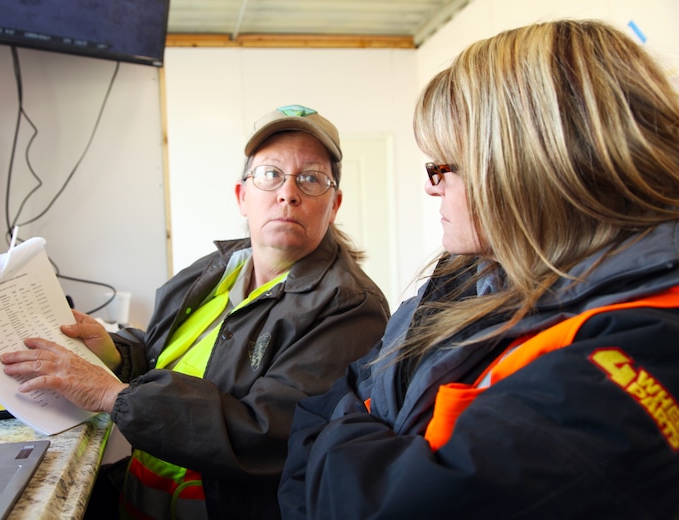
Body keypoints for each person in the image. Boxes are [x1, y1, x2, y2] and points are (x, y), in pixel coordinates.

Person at [278, 20, 679, 519]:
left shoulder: (649, 342)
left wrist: (343, 444)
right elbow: (320, 413)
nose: (431, 187)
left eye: (443, 166)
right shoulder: (467, 275)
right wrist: (355, 451)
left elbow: (375, 504)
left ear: (530, 166)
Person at [0, 104, 390, 520]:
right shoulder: (216, 269)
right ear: (243, 196)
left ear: (334, 204)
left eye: (311, 178)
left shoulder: (350, 307)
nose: (288, 192)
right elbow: (167, 357)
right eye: (270, 173)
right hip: (141, 497)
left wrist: (112, 394)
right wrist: (115, 353)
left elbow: (267, 432)